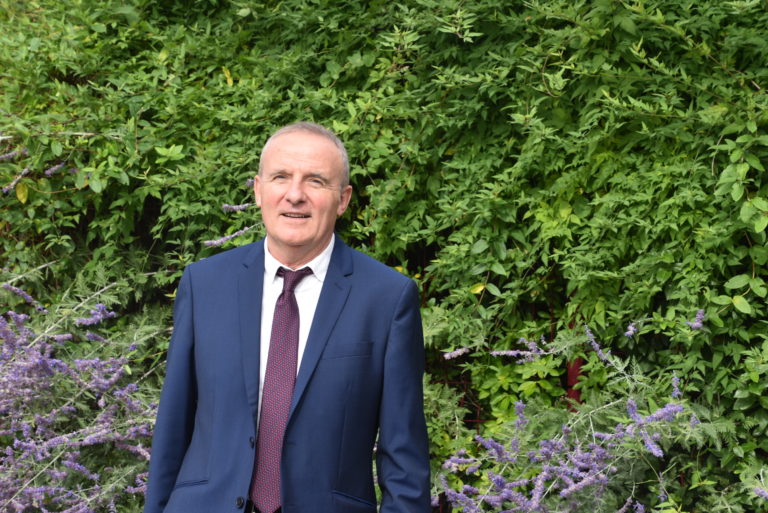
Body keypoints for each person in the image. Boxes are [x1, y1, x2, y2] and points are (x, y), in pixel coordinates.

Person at [143, 122, 430, 513]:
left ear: (343, 199)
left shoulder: (387, 298)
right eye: (280, 177)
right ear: (259, 190)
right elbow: (172, 428)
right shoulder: (205, 284)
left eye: (315, 181)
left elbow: (404, 457)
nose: (295, 195)